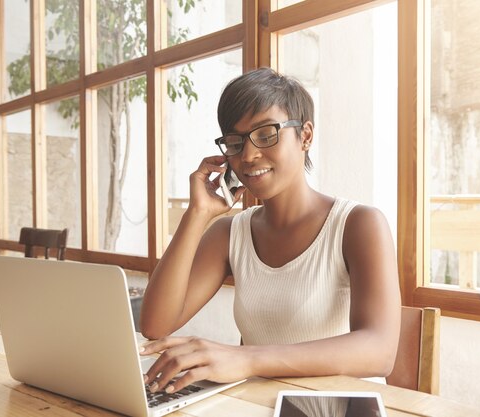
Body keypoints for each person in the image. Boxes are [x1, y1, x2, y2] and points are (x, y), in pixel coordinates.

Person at [139, 67, 401, 394]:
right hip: (262, 406)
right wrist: (197, 214)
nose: (248, 155)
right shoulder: (229, 233)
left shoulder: (358, 224)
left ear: (305, 136)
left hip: (344, 408)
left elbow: (379, 350)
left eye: (266, 134)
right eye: (235, 142)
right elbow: (155, 324)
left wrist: (246, 359)